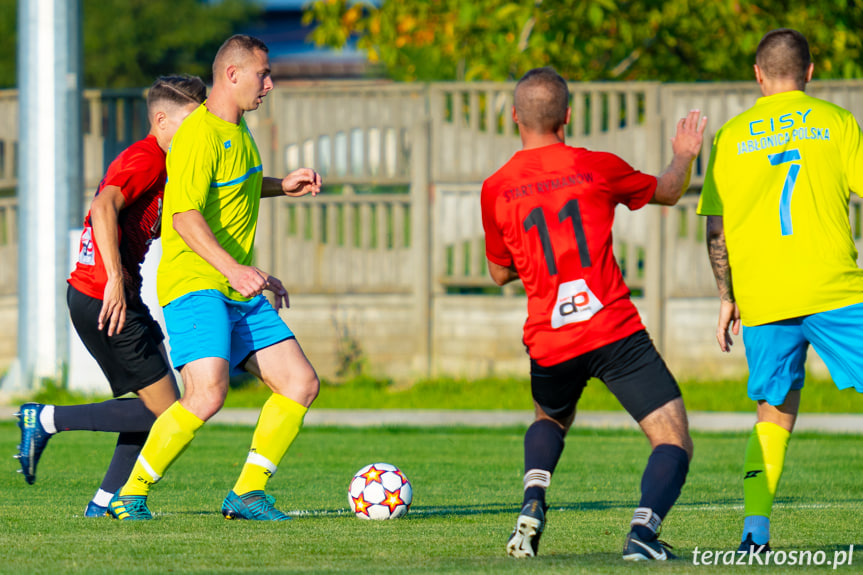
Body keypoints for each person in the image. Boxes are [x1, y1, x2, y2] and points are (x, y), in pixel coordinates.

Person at [481, 67, 706, 560]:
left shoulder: (496, 187)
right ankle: (642, 536)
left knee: (550, 417)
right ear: (567, 116)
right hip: (612, 328)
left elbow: (499, 273)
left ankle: (533, 502)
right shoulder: (597, 166)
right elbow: (668, 190)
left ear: (515, 117)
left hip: (551, 337)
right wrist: (683, 155)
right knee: (672, 438)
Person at [108, 35, 322, 521]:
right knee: (206, 393)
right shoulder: (198, 134)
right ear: (232, 74)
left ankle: (247, 493)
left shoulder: (238, 131)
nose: (269, 84)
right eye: (262, 74)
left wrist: (281, 186)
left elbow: (227, 191)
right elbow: (183, 214)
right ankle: (130, 493)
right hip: (195, 282)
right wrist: (236, 269)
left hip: (233, 286)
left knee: (299, 382)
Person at [697, 28, 863, 553]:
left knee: (773, 411)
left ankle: (755, 534)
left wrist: (727, 296)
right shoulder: (836, 122)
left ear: (758, 75)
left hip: (764, 297)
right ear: (810, 72)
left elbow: (716, 230)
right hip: (835, 288)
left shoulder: (729, 135)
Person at [15, 75, 207, 516]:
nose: (198, 131)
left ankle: (103, 503)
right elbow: (103, 205)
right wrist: (116, 283)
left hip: (111, 295)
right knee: (168, 412)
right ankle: (45, 419)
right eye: (191, 121)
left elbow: (223, 191)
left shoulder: (172, 163)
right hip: (104, 296)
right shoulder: (146, 158)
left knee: (157, 406)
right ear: (161, 120)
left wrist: (279, 185)